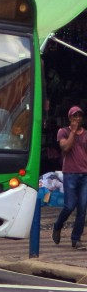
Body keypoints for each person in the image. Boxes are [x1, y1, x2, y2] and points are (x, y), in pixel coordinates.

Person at [51, 105, 87, 250]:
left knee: (82, 208)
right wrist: (72, 132)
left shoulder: (85, 134)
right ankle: (57, 226)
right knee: (69, 206)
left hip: (84, 174)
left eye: (79, 116)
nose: (77, 118)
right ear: (69, 118)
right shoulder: (63, 132)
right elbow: (65, 148)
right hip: (70, 174)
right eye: (74, 116)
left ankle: (76, 239)